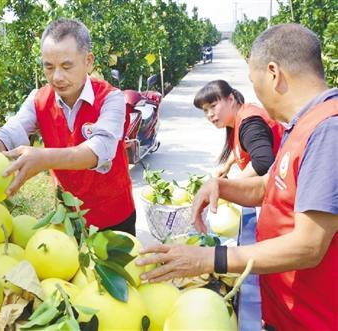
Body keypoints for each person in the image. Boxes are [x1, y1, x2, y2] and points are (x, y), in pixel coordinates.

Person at [136, 24, 337, 330]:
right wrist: (221, 186)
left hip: (314, 318)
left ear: (273, 73)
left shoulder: (327, 132)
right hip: (287, 310)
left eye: (254, 82)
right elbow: (269, 188)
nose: (254, 94)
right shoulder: (303, 124)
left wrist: (210, 258)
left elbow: (308, 246)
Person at [0, 19, 136, 234]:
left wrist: (43, 159)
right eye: (49, 67)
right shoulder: (39, 99)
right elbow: (13, 131)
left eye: (67, 66)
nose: (57, 77)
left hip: (113, 217)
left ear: (88, 61)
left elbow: (101, 149)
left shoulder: (110, 98)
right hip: (67, 217)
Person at [193, 80, 284, 178]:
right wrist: (227, 165)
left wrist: (230, 186)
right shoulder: (237, 118)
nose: (210, 114)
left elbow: (263, 163)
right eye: (205, 110)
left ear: (231, 100)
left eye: (213, 106)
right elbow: (242, 146)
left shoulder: (250, 125)